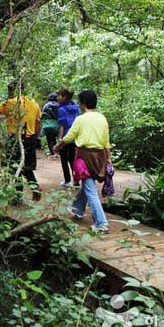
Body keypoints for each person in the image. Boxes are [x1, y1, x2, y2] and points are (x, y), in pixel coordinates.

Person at [0, 81, 42, 201]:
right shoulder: (33, 102)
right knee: (27, 166)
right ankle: (34, 189)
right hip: (30, 138)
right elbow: (38, 122)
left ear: (12, 91)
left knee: (16, 167)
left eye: (9, 91)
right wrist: (35, 136)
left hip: (16, 138)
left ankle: (18, 196)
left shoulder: (11, 103)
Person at [55, 89, 111, 233]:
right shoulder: (102, 118)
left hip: (85, 157)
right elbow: (106, 142)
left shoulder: (80, 119)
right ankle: (77, 209)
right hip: (99, 157)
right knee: (88, 185)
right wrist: (108, 159)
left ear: (83, 103)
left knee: (90, 189)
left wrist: (58, 145)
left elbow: (69, 136)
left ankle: (101, 223)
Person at [56, 88, 79, 187]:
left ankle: (67, 181)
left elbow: (62, 125)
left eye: (59, 96)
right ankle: (76, 181)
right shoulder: (76, 107)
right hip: (75, 138)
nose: (57, 98)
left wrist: (60, 139)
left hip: (65, 138)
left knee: (64, 160)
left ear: (64, 97)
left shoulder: (61, 109)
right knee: (73, 160)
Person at [41, 93, 60, 158]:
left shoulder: (46, 105)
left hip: (47, 124)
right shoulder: (58, 105)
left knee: (49, 139)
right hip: (56, 124)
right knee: (56, 138)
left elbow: (42, 115)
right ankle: (57, 152)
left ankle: (52, 153)